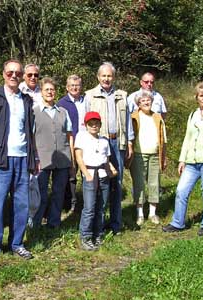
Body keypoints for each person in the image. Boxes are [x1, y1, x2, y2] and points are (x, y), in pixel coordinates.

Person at [0, 59, 38, 262]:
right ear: (3, 74)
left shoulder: (27, 100)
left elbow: (31, 132)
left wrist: (34, 156)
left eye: (18, 73)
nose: (14, 76)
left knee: (21, 204)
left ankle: (17, 243)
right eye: (10, 72)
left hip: (22, 159)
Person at [163, 81, 203, 236]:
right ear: (197, 97)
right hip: (192, 161)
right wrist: (182, 159)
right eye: (201, 96)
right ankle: (178, 223)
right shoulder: (193, 114)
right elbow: (188, 138)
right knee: (181, 191)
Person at [84, 62, 134, 235]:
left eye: (109, 76)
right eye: (103, 76)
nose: (106, 79)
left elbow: (127, 121)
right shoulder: (90, 96)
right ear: (98, 77)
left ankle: (116, 224)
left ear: (114, 77)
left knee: (117, 184)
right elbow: (84, 124)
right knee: (100, 185)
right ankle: (98, 224)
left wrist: (129, 142)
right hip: (99, 145)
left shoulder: (122, 96)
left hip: (117, 143)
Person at [32, 77, 74, 228]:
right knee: (40, 193)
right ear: (41, 92)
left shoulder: (63, 112)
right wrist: (34, 158)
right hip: (42, 159)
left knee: (59, 192)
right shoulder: (34, 112)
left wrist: (72, 160)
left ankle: (53, 222)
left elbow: (69, 136)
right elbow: (31, 137)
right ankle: (36, 223)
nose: (49, 92)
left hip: (63, 158)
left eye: (52, 89)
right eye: (46, 90)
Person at [75, 111, 114, 250]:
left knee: (101, 207)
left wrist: (110, 171)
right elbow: (79, 157)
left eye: (96, 123)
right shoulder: (81, 137)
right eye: (91, 123)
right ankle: (85, 236)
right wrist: (86, 174)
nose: (94, 126)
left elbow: (106, 159)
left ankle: (98, 233)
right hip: (90, 175)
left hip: (103, 175)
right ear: (86, 125)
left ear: (100, 125)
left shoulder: (104, 141)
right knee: (89, 208)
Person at [129, 91, 167, 226]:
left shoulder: (157, 117)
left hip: (155, 155)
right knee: (139, 184)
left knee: (154, 183)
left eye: (148, 100)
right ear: (138, 103)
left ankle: (152, 213)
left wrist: (164, 156)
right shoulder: (133, 117)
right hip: (139, 154)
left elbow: (163, 139)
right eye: (142, 101)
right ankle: (140, 214)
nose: (146, 103)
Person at [58, 74, 86, 212]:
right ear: (67, 87)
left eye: (77, 85)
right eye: (72, 85)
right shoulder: (61, 104)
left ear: (81, 87)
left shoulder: (86, 101)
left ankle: (87, 203)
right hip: (71, 143)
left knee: (87, 172)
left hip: (87, 143)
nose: (75, 88)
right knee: (71, 174)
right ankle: (71, 205)